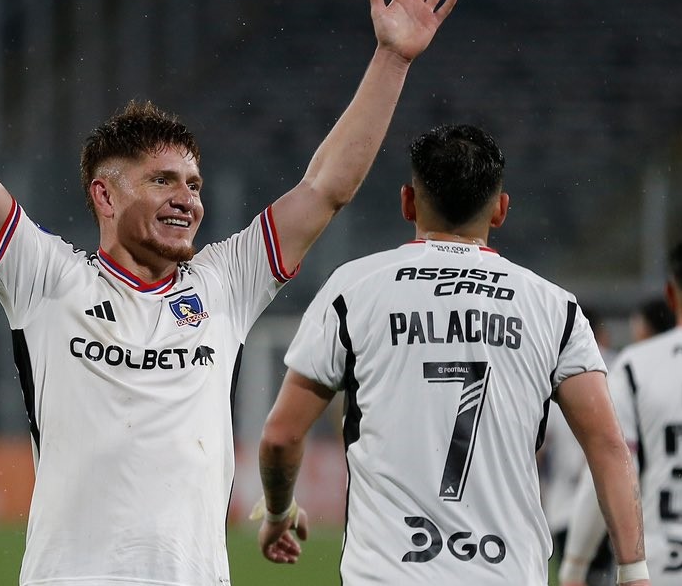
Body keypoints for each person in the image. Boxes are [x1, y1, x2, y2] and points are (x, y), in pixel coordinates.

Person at [0, 0, 458, 585]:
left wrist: (392, 59)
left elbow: (326, 186)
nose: (187, 197)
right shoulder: (47, 279)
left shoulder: (225, 283)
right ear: (104, 194)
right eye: (162, 180)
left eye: (193, 184)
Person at [255, 124, 649, 585]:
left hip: (387, 575)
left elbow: (281, 436)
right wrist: (634, 570)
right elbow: (607, 447)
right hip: (507, 572)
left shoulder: (354, 288)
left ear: (407, 202)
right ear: (500, 211)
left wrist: (279, 511)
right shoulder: (553, 307)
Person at [560, 234, 682, 586]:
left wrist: (575, 564)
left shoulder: (638, 366)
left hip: (666, 566)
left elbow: (609, 461)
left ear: (673, 295)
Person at [539, 306, 618, 586]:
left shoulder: (552, 369)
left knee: (573, 576)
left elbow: (540, 444)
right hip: (609, 496)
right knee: (604, 576)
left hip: (564, 502)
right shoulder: (617, 366)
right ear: (602, 335)